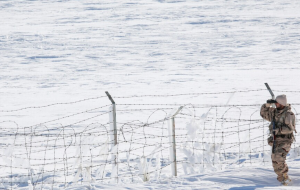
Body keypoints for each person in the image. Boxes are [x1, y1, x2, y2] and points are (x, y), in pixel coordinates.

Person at [260, 94, 296, 185]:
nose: (276, 104)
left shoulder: (288, 114)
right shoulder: (274, 112)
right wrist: (267, 105)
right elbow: (263, 114)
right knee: (274, 160)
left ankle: (285, 177)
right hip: (276, 140)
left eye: (277, 103)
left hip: (285, 140)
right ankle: (281, 178)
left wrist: (279, 130)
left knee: (278, 158)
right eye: (275, 103)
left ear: (282, 103)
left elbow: (290, 129)